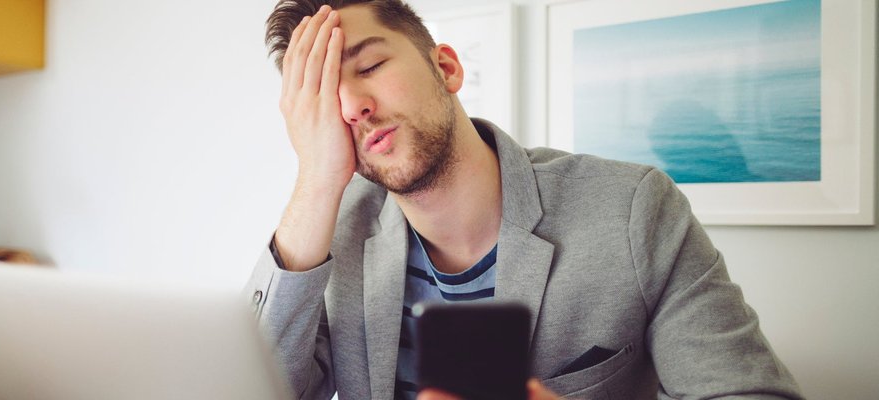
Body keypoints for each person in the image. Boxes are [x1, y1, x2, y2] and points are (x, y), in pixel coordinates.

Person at [242, 1, 802, 399]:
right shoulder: (333, 229)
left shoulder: (633, 210)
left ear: (445, 67)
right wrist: (317, 180)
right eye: (326, 100)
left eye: (369, 67)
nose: (353, 107)